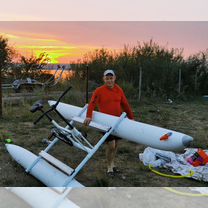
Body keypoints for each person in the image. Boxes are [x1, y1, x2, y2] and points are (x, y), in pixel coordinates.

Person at [84, 69, 134, 176]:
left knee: (116, 145)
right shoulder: (99, 91)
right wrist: (88, 116)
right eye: (107, 78)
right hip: (105, 122)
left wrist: (131, 118)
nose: (109, 81)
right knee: (111, 145)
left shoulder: (118, 89)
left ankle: (113, 164)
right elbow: (92, 104)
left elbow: (125, 104)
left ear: (114, 78)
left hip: (118, 121)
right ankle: (109, 167)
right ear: (104, 79)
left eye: (111, 78)